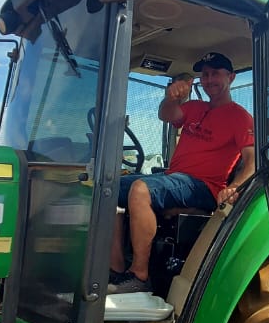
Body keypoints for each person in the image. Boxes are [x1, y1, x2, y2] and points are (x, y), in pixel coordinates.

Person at [107, 51, 255, 295]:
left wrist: (234, 187)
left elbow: (251, 162)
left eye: (215, 74)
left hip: (204, 187)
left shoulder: (241, 118)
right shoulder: (195, 107)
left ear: (231, 77)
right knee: (108, 187)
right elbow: (167, 115)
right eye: (205, 75)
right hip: (174, 179)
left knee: (140, 189)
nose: (209, 80)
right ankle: (116, 269)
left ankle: (139, 276)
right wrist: (171, 99)